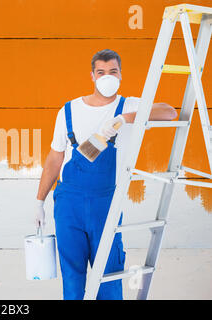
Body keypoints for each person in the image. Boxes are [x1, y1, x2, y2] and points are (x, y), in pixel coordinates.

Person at [35, 49, 177, 300]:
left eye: (113, 72)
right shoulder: (68, 110)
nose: (107, 77)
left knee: (109, 274)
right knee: (72, 276)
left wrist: (124, 118)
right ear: (92, 75)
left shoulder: (129, 104)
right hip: (68, 203)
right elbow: (55, 157)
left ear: (120, 75)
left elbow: (169, 112)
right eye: (101, 72)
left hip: (106, 204)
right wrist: (39, 201)